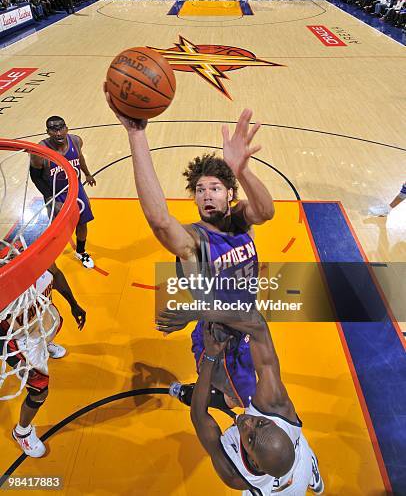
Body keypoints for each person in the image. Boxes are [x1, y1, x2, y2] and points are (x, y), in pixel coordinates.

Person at [104, 84, 275, 405]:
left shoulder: (241, 221)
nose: (207, 193)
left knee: (256, 387)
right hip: (220, 337)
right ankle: (196, 395)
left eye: (216, 187)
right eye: (200, 189)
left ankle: (200, 392)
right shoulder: (194, 241)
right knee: (242, 401)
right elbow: (160, 220)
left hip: (248, 322)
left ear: (230, 194)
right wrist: (137, 135)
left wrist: (243, 170)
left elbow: (266, 211)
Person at [159, 315, 324, 494]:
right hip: (299, 459)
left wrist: (210, 356)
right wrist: (194, 313)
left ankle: (308, 470)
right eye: (260, 422)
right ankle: (310, 465)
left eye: (250, 439)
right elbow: (258, 326)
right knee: (300, 455)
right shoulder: (277, 408)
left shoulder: (235, 474)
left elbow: (198, 415)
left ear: (254, 463)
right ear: (278, 426)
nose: (246, 422)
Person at [0, 262, 86, 457]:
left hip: (39, 319)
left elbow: (55, 273)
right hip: (18, 340)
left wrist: (73, 303)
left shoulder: (29, 246)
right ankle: (22, 432)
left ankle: (45, 346)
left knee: (54, 324)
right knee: (39, 389)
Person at [30, 116, 96, 268]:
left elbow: (79, 158)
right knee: (57, 229)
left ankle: (81, 252)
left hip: (76, 189)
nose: (58, 133)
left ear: (67, 128)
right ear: (48, 132)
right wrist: (50, 198)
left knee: (82, 222)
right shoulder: (40, 151)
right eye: (54, 130)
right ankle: (50, 256)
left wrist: (87, 173)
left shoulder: (76, 141)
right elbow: (36, 178)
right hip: (54, 192)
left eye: (61, 128)